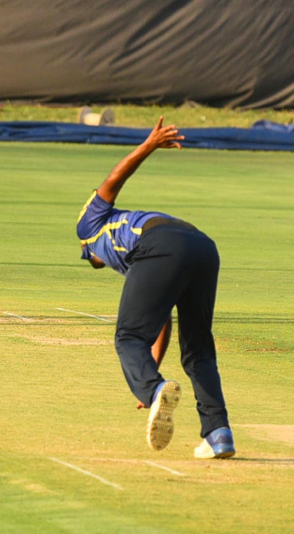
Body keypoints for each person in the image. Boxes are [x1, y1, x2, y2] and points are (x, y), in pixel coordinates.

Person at [76, 118, 234, 458]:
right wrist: (148, 379)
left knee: (126, 337)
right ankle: (218, 434)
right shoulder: (128, 250)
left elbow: (113, 181)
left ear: (89, 254)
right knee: (198, 350)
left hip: (162, 244)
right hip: (203, 246)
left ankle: (157, 389)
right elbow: (162, 319)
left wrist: (148, 145)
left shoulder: (89, 228)